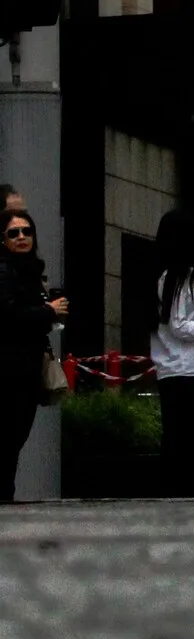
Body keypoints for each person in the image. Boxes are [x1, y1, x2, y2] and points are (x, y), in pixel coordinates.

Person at [148, 211, 194, 496]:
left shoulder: (177, 278)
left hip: (184, 366)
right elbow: (178, 325)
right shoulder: (176, 279)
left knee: (183, 435)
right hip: (183, 367)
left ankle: (181, 491)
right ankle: (185, 491)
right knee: (188, 436)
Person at [2, 208, 69, 501]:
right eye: (13, 233)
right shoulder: (5, 270)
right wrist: (48, 311)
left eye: (26, 232)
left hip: (25, 369)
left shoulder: (30, 270)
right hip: (9, 370)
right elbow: (8, 314)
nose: (21, 237)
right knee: (9, 439)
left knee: (15, 439)